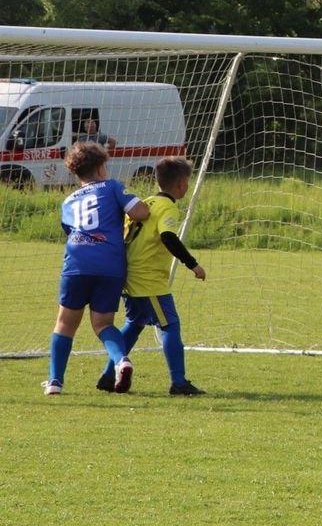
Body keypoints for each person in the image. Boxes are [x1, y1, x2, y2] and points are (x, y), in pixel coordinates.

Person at [42, 142, 150, 395]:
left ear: (75, 172)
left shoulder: (68, 201)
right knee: (103, 324)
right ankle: (122, 360)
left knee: (65, 324)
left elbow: (70, 231)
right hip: (110, 265)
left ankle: (55, 381)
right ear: (101, 168)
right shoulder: (112, 187)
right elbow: (140, 212)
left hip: (77, 263)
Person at [97, 156, 208, 395]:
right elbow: (168, 236)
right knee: (169, 325)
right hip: (148, 280)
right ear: (181, 184)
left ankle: (108, 376)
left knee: (134, 324)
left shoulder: (144, 203)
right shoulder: (167, 207)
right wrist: (193, 264)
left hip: (129, 275)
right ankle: (179, 383)